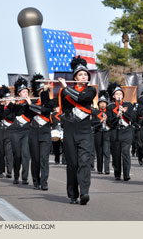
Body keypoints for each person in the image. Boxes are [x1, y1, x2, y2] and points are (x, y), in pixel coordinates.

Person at [58, 55, 96, 205]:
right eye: (80, 74)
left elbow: (80, 98)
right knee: (72, 163)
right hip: (70, 129)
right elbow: (58, 107)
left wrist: (65, 87)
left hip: (85, 130)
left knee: (84, 161)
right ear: (75, 76)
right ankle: (73, 193)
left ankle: (84, 192)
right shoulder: (63, 92)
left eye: (85, 74)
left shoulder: (91, 91)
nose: (83, 76)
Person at [28, 74, 55, 190]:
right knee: (35, 159)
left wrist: (45, 91)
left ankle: (44, 183)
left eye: (42, 90)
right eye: (39, 90)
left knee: (44, 158)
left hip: (45, 132)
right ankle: (36, 181)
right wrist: (27, 104)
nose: (41, 92)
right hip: (33, 132)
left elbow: (45, 109)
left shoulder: (49, 102)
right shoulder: (30, 103)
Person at [106, 83, 134, 181]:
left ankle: (126, 174)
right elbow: (109, 122)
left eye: (120, 94)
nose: (119, 96)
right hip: (115, 131)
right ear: (113, 96)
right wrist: (116, 116)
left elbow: (132, 118)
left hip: (126, 131)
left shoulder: (128, 105)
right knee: (116, 154)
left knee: (126, 152)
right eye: (117, 94)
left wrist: (124, 113)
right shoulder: (110, 107)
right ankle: (117, 173)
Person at [9, 77, 31, 185]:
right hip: (15, 132)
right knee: (17, 155)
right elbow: (9, 116)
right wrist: (12, 104)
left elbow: (33, 112)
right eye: (23, 92)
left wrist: (29, 103)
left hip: (26, 131)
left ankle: (25, 177)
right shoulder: (15, 105)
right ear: (19, 94)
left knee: (26, 155)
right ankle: (16, 176)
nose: (26, 93)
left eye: (27, 91)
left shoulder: (30, 103)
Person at [0, 85, 14, 178]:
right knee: (0, 151)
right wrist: (0, 106)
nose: (8, 99)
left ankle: (9, 171)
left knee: (9, 152)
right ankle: (0, 170)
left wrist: (10, 105)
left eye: (9, 97)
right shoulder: (1, 107)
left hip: (9, 130)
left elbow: (11, 117)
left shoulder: (12, 107)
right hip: (0, 130)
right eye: (6, 98)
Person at [92, 90, 111, 174]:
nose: (102, 104)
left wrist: (108, 120)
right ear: (98, 104)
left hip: (107, 133)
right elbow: (92, 123)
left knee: (106, 151)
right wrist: (100, 121)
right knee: (99, 152)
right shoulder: (95, 112)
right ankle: (99, 169)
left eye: (104, 103)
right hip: (98, 132)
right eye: (101, 103)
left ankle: (107, 169)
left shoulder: (109, 112)